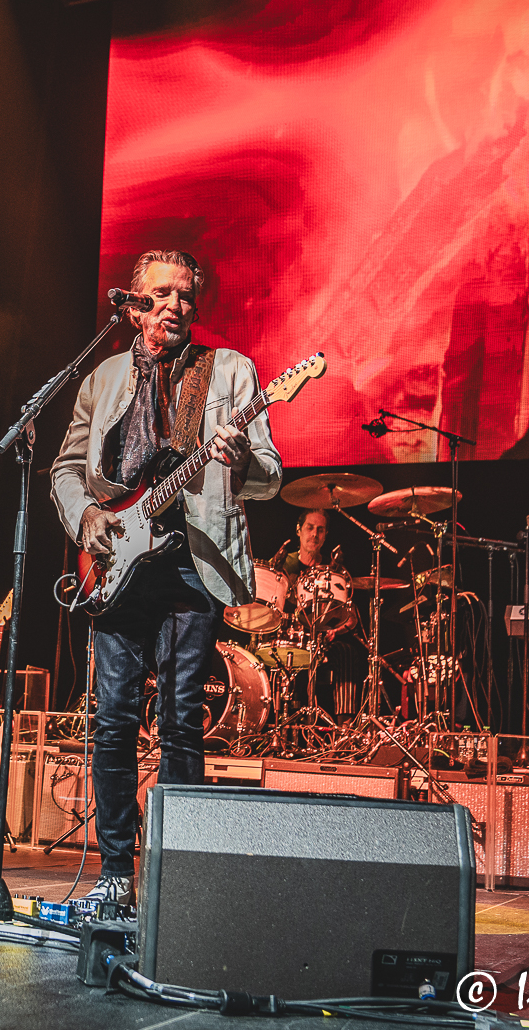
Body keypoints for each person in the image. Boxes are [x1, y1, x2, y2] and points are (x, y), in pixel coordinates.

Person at [52, 250, 282, 904]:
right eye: (162, 294)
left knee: (182, 718)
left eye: (187, 295)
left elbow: (270, 471)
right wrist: (88, 517)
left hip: (191, 561)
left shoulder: (229, 371)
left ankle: (177, 877)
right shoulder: (100, 380)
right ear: (132, 305)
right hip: (116, 562)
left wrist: (240, 462)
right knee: (114, 719)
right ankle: (115, 875)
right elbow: (67, 471)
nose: (177, 305)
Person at [271, 509, 357, 717]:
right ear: (299, 530)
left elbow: (351, 618)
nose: (314, 534)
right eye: (310, 528)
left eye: (320, 530)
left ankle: (343, 724)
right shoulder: (283, 565)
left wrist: (336, 631)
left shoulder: (332, 570)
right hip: (287, 635)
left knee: (346, 651)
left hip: (322, 640)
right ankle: (271, 720)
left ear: (326, 535)